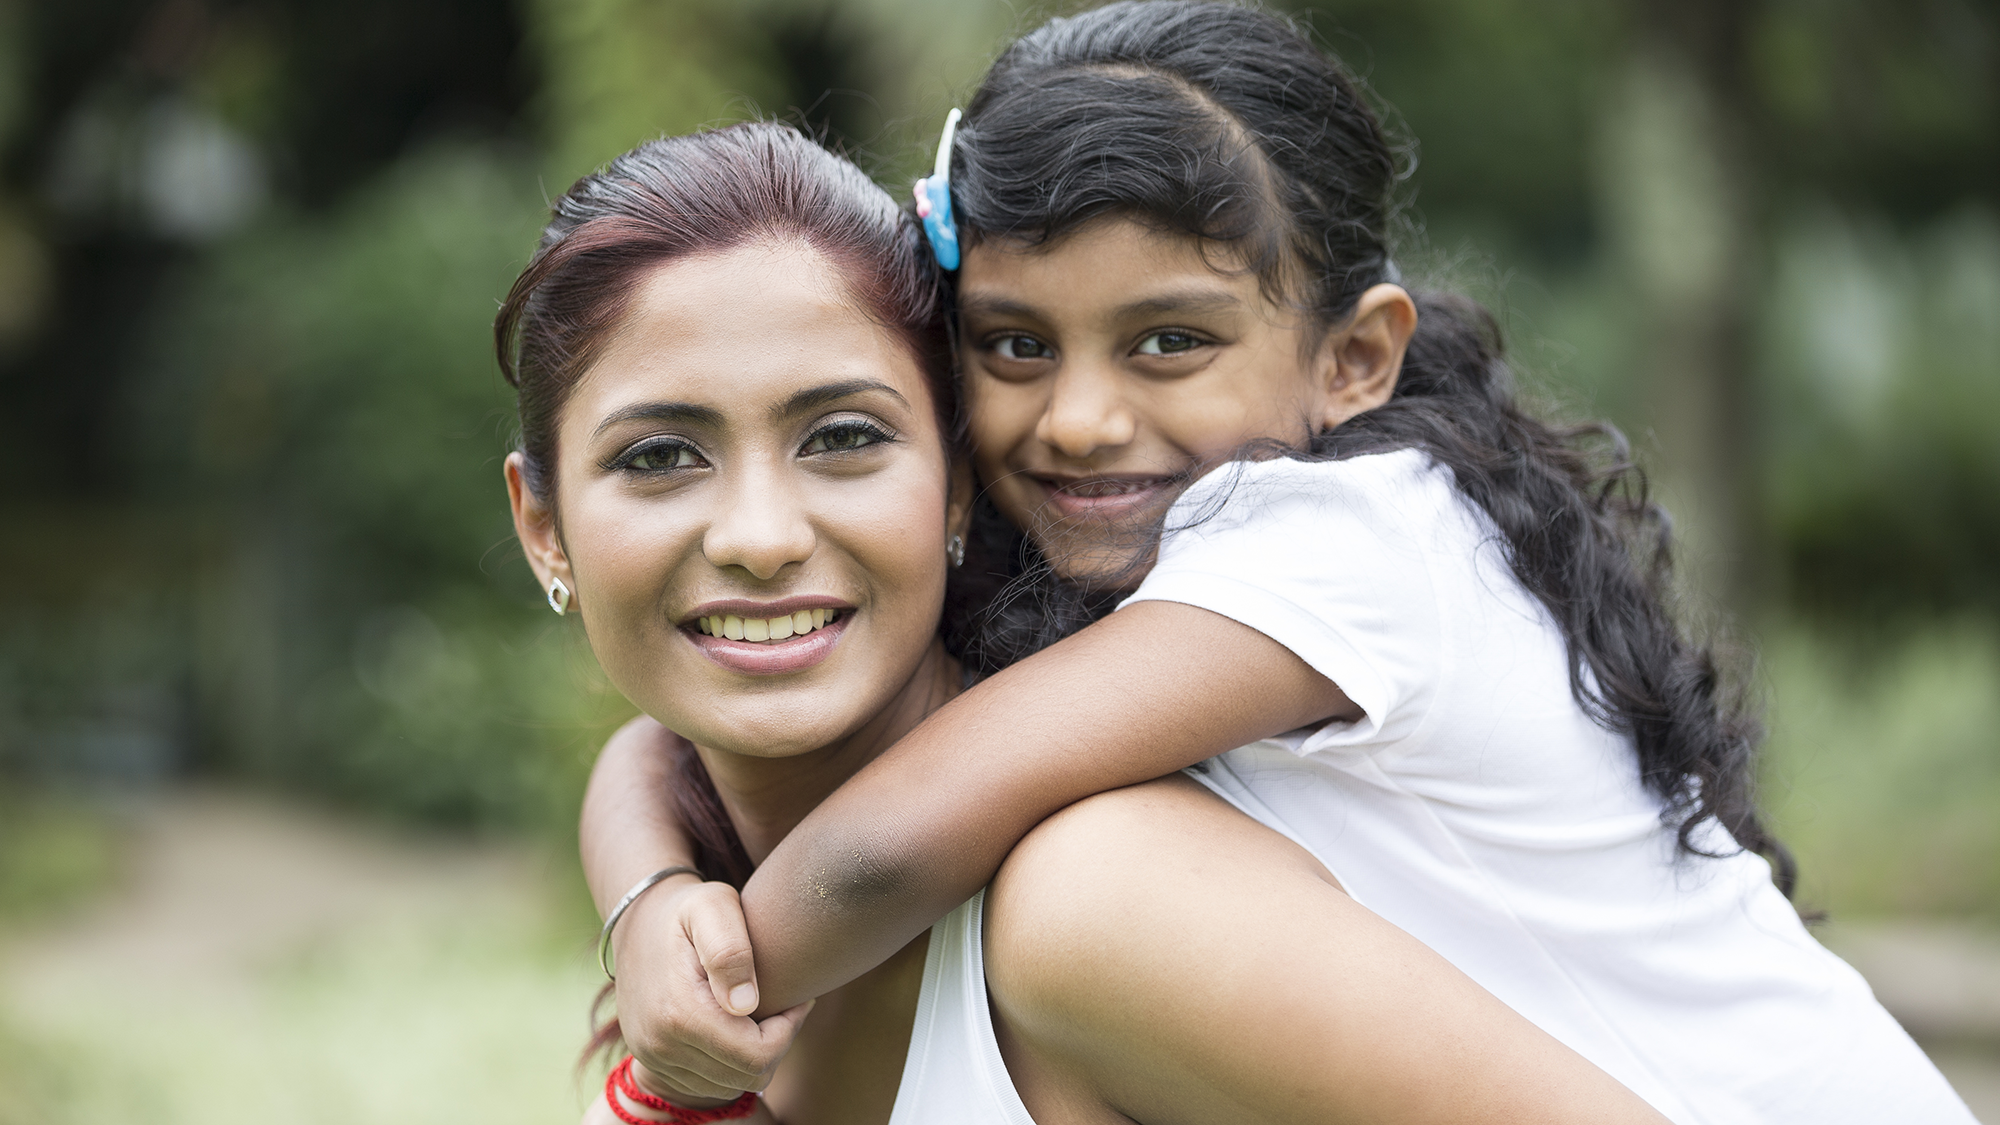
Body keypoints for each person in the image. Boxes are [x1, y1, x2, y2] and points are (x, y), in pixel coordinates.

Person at [582, 4, 1978, 1123]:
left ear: (1351, 356)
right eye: (1015, 343)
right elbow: (662, 747)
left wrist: (687, 1028)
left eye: (1168, 342)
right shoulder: (1128, 549)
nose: (1077, 416)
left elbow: (897, 837)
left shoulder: (1358, 537)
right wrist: (648, 896)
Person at [499, 120, 1663, 1124]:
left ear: (954, 482)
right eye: (659, 457)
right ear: (542, 528)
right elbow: (642, 759)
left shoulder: (1100, 900)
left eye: (843, 437)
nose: (759, 535)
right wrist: (648, 897)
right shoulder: (689, 887)